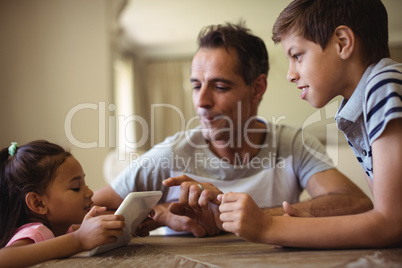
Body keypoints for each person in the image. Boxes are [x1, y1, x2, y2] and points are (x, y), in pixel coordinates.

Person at [93, 22, 372, 238]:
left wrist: (237, 217)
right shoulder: (172, 154)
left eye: (220, 86)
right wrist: (159, 215)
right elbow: (86, 213)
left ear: (257, 88)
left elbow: (355, 203)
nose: (201, 101)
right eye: (195, 85)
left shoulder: (292, 143)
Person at [216, 0, 402, 248]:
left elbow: (390, 224)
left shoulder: (383, 86)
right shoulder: (355, 108)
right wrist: (307, 226)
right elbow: (384, 219)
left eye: (297, 55)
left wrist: (267, 226)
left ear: (343, 43)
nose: (290, 74)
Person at [0, 140, 125, 267]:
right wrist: (79, 240)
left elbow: (96, 225)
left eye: (85, 184)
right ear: (38, 203)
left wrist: (127, 220)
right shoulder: (36, 232)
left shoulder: (61, 227)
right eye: (76, 187)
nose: (90, 192)